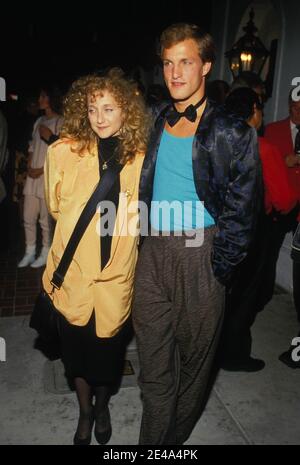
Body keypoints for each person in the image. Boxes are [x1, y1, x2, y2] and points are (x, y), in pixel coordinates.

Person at [132, 23, 260, 445]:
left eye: (185, 62)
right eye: (168, 64)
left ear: (205, 65)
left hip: (201, 255)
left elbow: (243, 214)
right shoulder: (154, 120)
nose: (175, 73)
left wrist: (218, 269)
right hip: (152, 253)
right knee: (153, 365)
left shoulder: (233, 132)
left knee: (194, 367)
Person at [42, 68, 149, 445]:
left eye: (108, 108)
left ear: (126, 111)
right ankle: (86, 412)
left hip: (116, 279)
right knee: (77, 359)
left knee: (107, 358)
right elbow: (55, 208)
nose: (99, 118)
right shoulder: (62, 152)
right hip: (73, 276)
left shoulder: (140, 158)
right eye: (92, 109)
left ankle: (103, 406)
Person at [219, 87, 297, 371]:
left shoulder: (216, 142)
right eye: (260, 109)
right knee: (247, 293)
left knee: (223, 290)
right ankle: (234, 355)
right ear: (252, 111)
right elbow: (285, 201)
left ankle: (214, 347)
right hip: (252, 228)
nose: (262, 115)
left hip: (220, 225)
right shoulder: (263, 147)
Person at [265, 89, 300, 368]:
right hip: (281, 203)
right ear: (289, 105)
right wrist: (286, 162)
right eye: (296, 106)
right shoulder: (273, 130)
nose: (299, 111)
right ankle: (264, 291)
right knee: (269, 251)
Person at [18, 85, 63, 268]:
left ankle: (45, 251)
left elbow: (61, 153)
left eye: (44, 95)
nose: (40, 99)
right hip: (32, 176)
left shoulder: (61, 121)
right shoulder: (38, 121)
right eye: (40, 96)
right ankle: (29, 251)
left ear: (51, 98)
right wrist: (29, 165)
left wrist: (42, 170)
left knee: (45, 220)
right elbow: (31, 147)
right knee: (28, 217)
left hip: (46, 176)